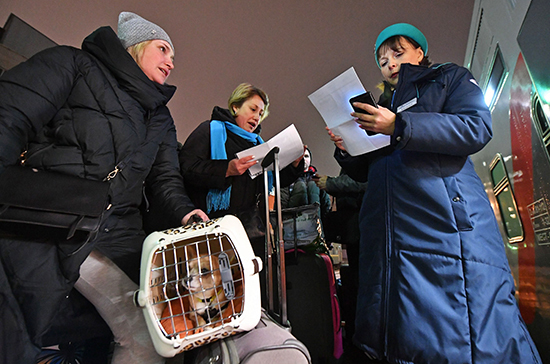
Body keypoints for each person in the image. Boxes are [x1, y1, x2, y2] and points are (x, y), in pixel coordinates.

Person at [0, 12, 208, 364]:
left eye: (173, 56)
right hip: (48, 220)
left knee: (153, 334)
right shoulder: (73, 65)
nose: (171, 62)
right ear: (135, 46)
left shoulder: (160, 118)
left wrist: (185, 211)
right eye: (163, 49)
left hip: (115, 235)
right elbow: (9, 115)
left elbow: (165, 179)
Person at [328, 23, 541, 363]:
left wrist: (399, 125)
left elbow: (476, 127)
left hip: (443, 227)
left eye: (397, 53)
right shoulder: (383, 105)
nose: (390, 64)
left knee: (466, 334)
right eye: (382, 61)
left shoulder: (450, 78)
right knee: (407, 338)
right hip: (392, 236)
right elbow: (371, 171)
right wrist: (347, 147)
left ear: (420, 53)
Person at [179, 83, 303, 302]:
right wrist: (226, 169)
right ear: (235, 107)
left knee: (249, 290)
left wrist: (293, 165)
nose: (257, 117)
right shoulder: (210, 130)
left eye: (261, 113)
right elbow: (187, 168)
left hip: (250, 230)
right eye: (253, 109)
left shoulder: (259, 144)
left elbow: (270, 181)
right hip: (214, 229)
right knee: (218, 291)